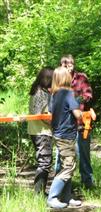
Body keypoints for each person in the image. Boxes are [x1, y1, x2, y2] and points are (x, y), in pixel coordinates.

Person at [47, 67, 82, 209]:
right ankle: (53, 197)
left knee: (66, 163)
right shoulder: (69, 94)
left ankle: (66, 196)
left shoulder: (54, 95)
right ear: (66, 78)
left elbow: (51, 112)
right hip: (66, 135)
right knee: (69, 166)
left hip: (58, 134)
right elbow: (77, 114)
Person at [59, 54, 94, 189]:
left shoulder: (81, 78)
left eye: (70, 65)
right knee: (61, 157)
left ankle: (88, 183)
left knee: (83, 154)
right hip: (63, 125)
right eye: (65, 65)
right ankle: (63, 186)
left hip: (80, 123)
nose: (68, 68)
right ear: (61, 66)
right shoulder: (58, 79)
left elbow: (88, 95)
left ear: (73, 65)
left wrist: (73, 102)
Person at [28, 67, 53, 195]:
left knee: (44, 161)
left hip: (36, 130)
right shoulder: (41, 93)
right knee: (44, 162)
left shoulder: (37, 90)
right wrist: (53, 122)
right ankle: (38, 193)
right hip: (41, 131)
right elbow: (38, 114)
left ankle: (41, 192)